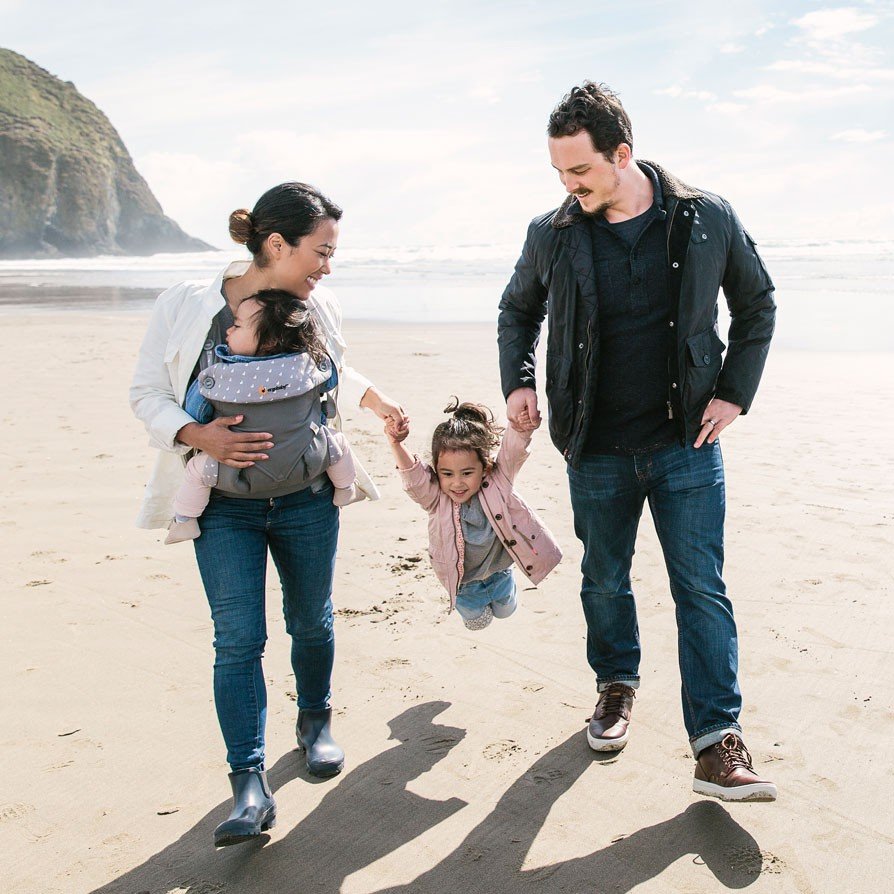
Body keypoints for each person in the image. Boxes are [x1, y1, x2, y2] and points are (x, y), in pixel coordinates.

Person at [497, 82, 777, 802]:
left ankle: (717, 741)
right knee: (603, 577)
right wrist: (519, 382)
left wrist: (734, 391)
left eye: (580, 170)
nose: (568, 185)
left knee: (701, 588)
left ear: (622, 154)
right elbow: (518, 311)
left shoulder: (705, 217)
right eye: (558, 172)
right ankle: (616, 684)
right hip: (594, 445)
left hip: (688, 441)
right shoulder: (553, 231)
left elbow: (756, 304)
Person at [130, 182, 407, 847]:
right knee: (238, 640)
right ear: (277, 245)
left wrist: (375, 401)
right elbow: (146, 392)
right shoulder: (187, 304)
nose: (328, 266)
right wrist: (199, 436)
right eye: (321, 251)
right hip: (223, 506)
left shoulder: (320, 305)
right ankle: (248, 782)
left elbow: (334, 369)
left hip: (307, 498)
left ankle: (315, 721)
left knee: (311, 621)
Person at [165, 288, 359, 545]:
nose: (229, 330)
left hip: (236, 471)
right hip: (305, 463)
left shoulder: (218, 378)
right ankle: (345, 489)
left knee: (197, 470)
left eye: (237, 325)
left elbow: (194, 414)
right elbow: (331, 380)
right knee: (337, 444)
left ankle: (185, 519)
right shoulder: (308, 366)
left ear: (269, 340)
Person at [385, 398, 561, 629]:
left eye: (467, 473)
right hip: (464, 584)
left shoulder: (498, 482)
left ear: (485, 468)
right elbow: (414, 478)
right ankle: (477, 610)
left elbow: (513, 452)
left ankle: (505, 595)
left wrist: (521, 428)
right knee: (477, 621)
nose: (457, 483)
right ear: (437, 471)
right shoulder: (436, 498)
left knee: (505, 611)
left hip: (499, 573)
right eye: (447, 474)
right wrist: (396, 445)